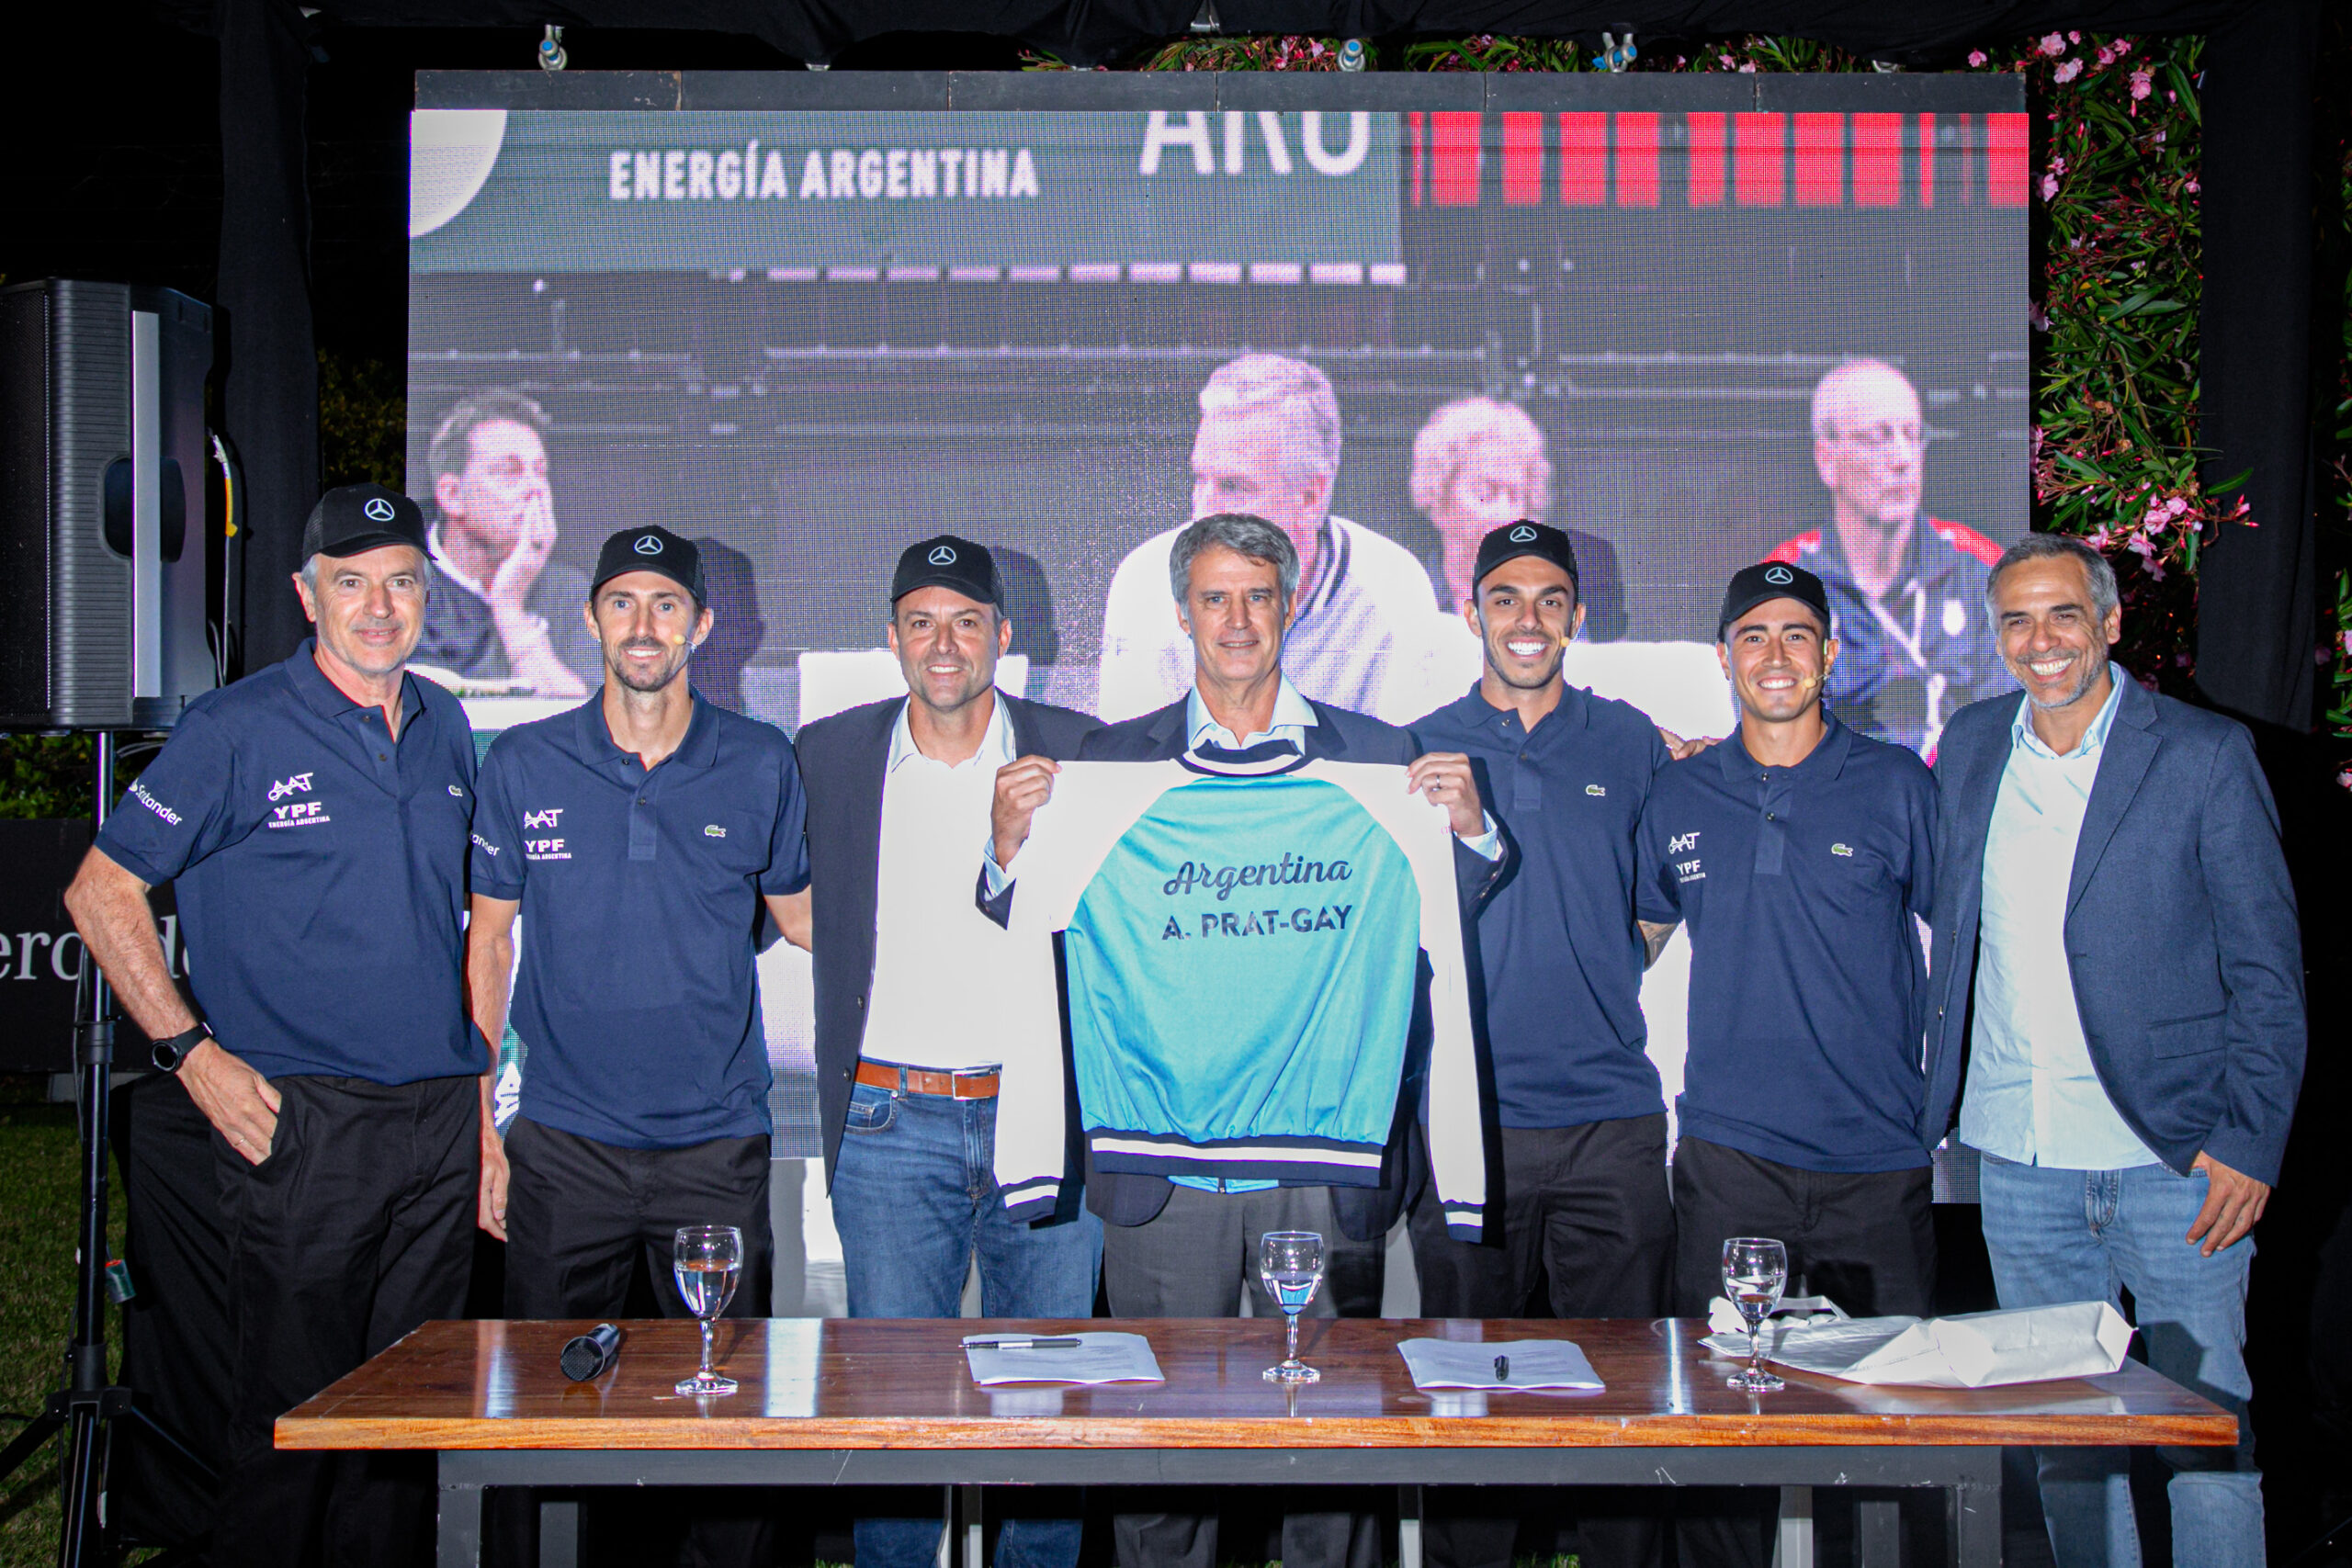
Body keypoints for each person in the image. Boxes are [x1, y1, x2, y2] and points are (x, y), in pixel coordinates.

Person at [992, 512, 1503, 1568]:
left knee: (1331, 1460)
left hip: (1322, 1161)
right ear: (1182, 614)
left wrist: (1467, 837)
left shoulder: (1378, 759)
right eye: (1215, 598)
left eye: (1257, 597)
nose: (1237, 621)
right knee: (1163, 1463)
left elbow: (1435, 924)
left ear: (1290, 607)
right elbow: (1037, 924)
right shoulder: (1107, 762)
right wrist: (1009, 853)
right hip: (1160, 1172)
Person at [64, 482, 481, 1567]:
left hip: (437, 1118)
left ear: (426, 596)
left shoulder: (448, 721)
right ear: (307, 595)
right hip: (305, 1125)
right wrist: (190, 1054)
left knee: (407, 1420)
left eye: (400, 583)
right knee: (295, 1421)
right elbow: (101, 894)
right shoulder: (234, 728)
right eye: (351, 583)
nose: (379, 606)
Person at [1922, 534, 2303, 1568]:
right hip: (2019, 1161)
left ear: (2110, 624)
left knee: (2204, 1437)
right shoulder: (1967, 746)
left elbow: (2269, 972)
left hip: (2175, 1165)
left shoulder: (2201, 756)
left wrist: (2250, 1145)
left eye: (2061, 615)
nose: (2039, 641)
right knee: (2066, 1444)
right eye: (2015, 620)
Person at [466, 525, 808, 1568]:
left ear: (702, 626)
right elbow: (487, 943)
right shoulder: (524, 761)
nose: (643, 625)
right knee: (549, 1410)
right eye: (622, 603)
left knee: (724, 1412)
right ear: (592, 619)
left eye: (667, 605)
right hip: (564, 1147)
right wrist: (484, 1129)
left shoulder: (759, 762)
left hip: (714, 1146)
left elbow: (806, 921)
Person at [782, 536, 1102, 1568]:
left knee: (1043, 1422)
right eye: (921, 622)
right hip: (888, 1123)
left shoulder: (1082, 748)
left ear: (1004, 637)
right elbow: (789, 909)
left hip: (1043, 1117)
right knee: (895, 1419)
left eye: (965, 621)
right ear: (891, 639)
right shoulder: (829, 753)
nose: (943, 643)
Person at [1635, 561, 1938, 1568]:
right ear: (1724, 657)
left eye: (1796, 635)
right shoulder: (1678, 791)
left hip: (1874, 1161)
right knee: (1723, 1432)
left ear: (1830, 655)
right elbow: (1633, 938)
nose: (1775, 655)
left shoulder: (1898, 783)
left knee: (1881, 1443)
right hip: (1729, 1163)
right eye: (1753, 636)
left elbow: (1973, 940)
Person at [1406, 522, 1673, 1568]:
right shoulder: (1418, 741)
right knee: (1469, 1406)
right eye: (1505, 598)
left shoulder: (1628, 739)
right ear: (1471, 612)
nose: (1528, 619)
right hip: (1468, 1120)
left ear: (1575, 615)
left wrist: (1601, 970)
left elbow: (1658, 903)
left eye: (1550, 599)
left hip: (1610, 1117)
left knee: (1620, 1400)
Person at [1096, 355, 1440, 724]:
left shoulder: (1394, 586)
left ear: (1310, 496)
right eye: (1200, 479)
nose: (1204, 509)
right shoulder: (1146, 581)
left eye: (1234, 486)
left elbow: (1406, 769)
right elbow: (1128, 765)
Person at [1765, 359, 2007, 758]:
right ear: (1827, 461)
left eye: (1913, 435)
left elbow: (2009, 723)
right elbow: (1773, 740)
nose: (1902, 458)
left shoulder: (1981, 569)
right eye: (1876, 438)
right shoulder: (1783, 583)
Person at [414, 388, 597, 696]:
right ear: (452, 495)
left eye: (540, 472)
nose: (535, 489)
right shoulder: (405, 591)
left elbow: (589, 720)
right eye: (508, 472)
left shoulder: (573, 592)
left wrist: (510, 606)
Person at [1408, 396, 1627, 640]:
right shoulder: (1408, 597)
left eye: (1514, 496)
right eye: (1484, 493)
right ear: (1438, 498)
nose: (1504, 512)